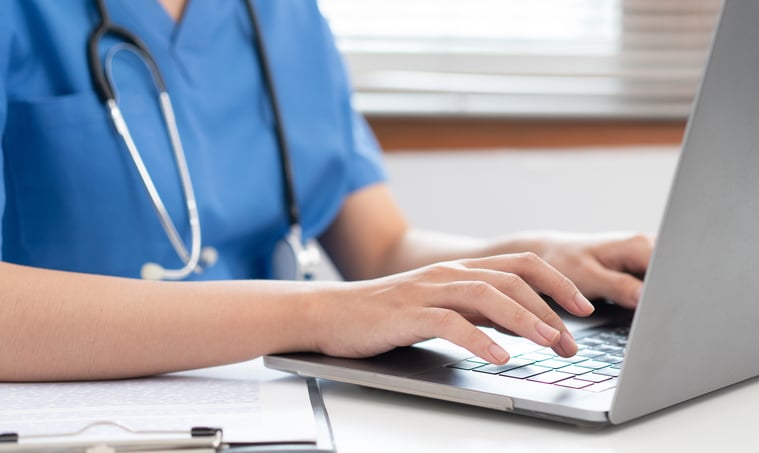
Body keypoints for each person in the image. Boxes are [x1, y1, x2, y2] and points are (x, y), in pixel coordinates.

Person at [0, 0, 652, 381]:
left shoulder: (280, 14)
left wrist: (526, 257)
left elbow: (382, 248)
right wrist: (318, 312)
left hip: (269, 403)